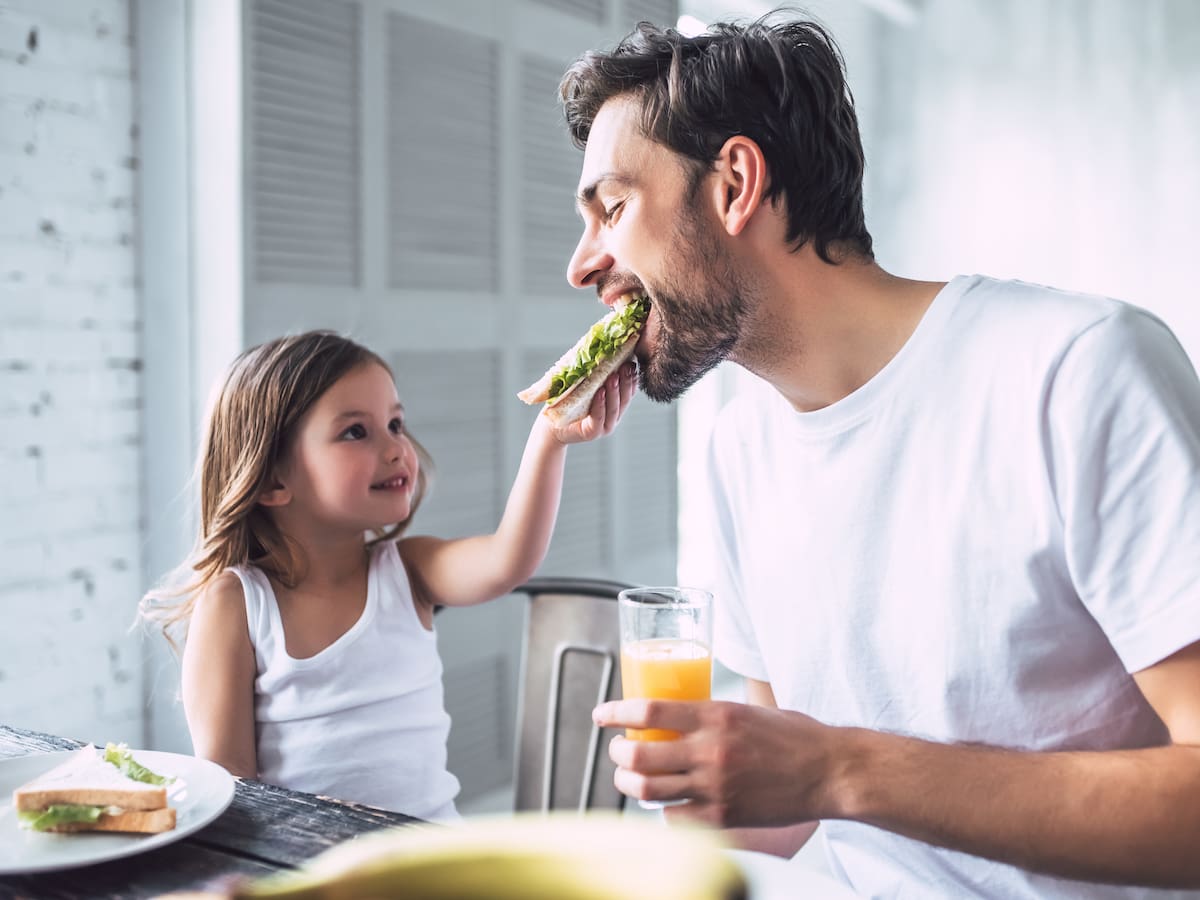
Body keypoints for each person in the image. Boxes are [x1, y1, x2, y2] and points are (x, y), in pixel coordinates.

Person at [561, 15, 1200, 898]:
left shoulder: (1078, 369)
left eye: (612, 209)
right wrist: (703, 780)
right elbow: (784, 814)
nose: (581, 264)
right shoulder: (738, 450)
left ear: (736, 183)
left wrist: (839, 768)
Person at [140, 330, 634, 821]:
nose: (397, 449)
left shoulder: (409, 570)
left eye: (396, 423)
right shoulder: (237, 603)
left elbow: (509, 559)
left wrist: (550, 437)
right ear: (273, 479)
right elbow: (232, 787)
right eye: (356, 431)